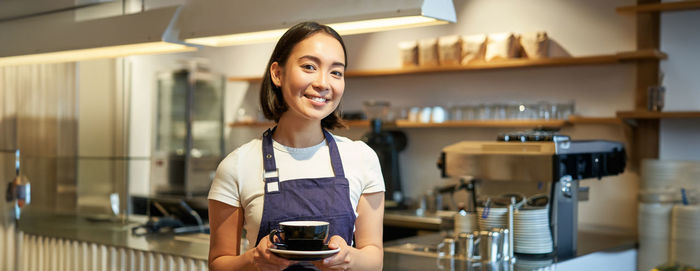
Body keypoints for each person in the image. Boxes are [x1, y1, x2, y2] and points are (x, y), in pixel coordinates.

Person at [207, 21, 385, 271]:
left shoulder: (362, 158)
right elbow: (218, 264)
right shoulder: (237, 165)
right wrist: (254, 260)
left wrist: (348, 259)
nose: (324, 83)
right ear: (277, 74)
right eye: (309, 67)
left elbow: (374, 259)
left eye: (336, 72)